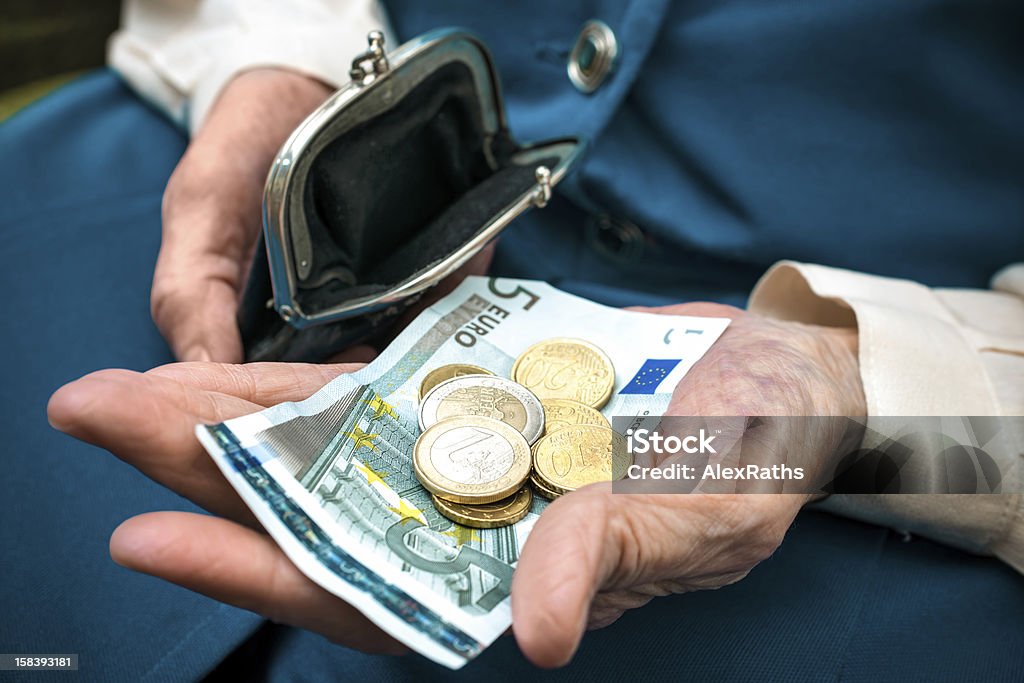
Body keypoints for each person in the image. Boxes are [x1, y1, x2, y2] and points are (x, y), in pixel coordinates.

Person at [3, 0, 1022, 680]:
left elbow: (951, 435)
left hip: (892, 464)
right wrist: (276, 59)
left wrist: (867, 392)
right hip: (259, 167)